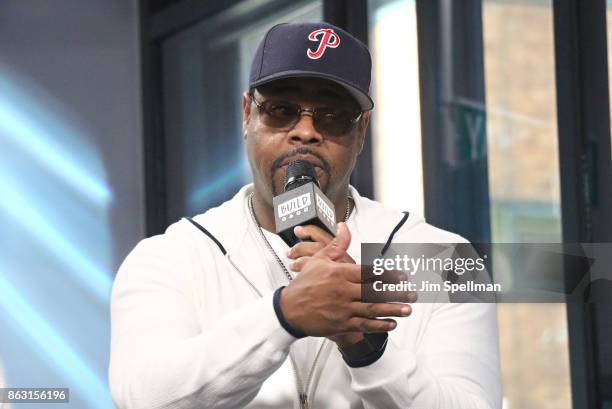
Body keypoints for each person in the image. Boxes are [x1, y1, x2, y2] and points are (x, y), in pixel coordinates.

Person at [109, 22, 501, 408]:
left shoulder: (445, 258)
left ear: (361, 131)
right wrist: (283, 316)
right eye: (281, 110)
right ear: (248, 115)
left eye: (332, 116)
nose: (306, 132)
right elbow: (143, 397)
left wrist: (368, 345)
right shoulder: (171, 256)